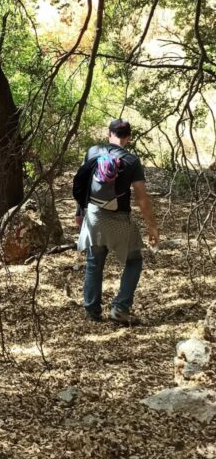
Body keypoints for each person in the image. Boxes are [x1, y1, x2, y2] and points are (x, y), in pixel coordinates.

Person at [75, 118, 159, 325]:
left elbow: (83, 183)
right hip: (120, 219)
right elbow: (141, 197)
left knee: (95, 263)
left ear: (108, 134)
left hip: (94, 215)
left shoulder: (93, 151)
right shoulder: (131, 161)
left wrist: (79, 212)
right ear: (128, 138)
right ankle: (120, 308)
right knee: (134, 261)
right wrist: (152, 226)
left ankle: (92, 312)